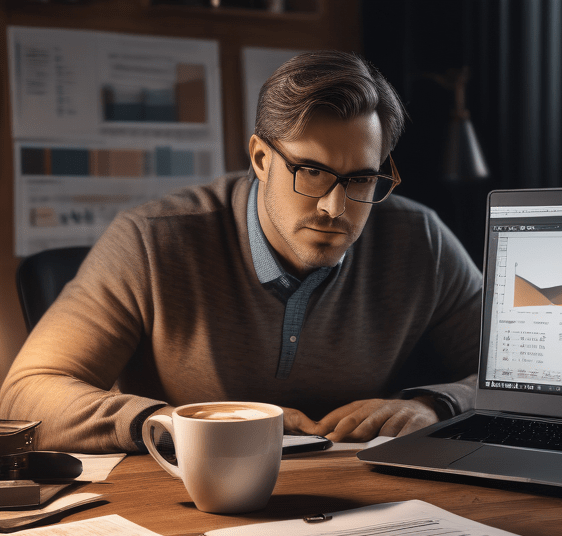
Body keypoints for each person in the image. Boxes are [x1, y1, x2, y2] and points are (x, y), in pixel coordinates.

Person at [0, 51, 482, 453]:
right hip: (190, 502)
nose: (335, 208)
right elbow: (26, 395)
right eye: (311, 172)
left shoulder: (421, 239)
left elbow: (535, 379)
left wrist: (437, 405)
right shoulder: (151, 241)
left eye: (361, 179)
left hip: (365, 499)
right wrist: (183, 425)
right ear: (260, 158)